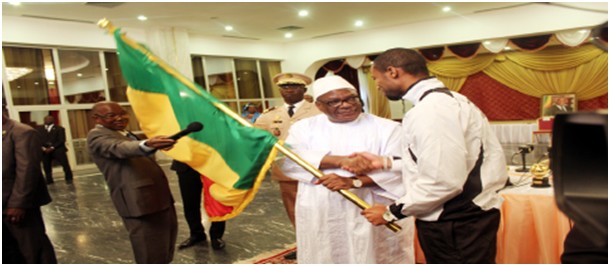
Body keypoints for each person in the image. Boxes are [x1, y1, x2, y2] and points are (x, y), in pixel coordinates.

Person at [361, 48, 507, 263]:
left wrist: (391, 212)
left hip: (455, 222)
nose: (377, 86)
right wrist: (386, 163)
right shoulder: (450, 100)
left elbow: (443, 180)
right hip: (465, 218)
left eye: (376, 78)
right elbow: (448, 161)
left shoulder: (431, 110)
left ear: (392, 72)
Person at [280, 75, 414, 264]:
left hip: (372, 202)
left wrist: (353, 182)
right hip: (322, 204)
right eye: (334, 101)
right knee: (326, 251)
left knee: (376, 254)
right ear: (319, 106)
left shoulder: (387, 128)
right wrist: (340, 161)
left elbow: (402, 168)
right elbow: (291, 161)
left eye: (351, 98)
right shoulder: (303, 128)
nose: (345, 105)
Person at [87, 101, 178, 263]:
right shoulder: (97, 135)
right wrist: (146, 144)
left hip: (158, 199)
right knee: (149, 253)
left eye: (122, 113)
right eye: (111, 115)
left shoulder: (125, 133)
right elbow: (119, 148)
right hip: (138, 203)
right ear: (97, 118)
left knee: (164, 248)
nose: (120, 118)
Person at [253, 72, 321, 260]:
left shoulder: (318, 110)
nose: (288, 90)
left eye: (294, 86)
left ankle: (323, 242)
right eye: (284, 87)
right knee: (294, 210)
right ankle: (304, 245)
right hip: (286, 171)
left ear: (304, 89)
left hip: (316, 169)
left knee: (320, 208)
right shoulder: (270, 115)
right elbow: (256, 138)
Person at [2, 103, 57, 263]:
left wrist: (18, 204)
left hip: (16, 206)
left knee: (32, 249)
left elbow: (27, 171)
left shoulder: (21, 132)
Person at [170, 160, 226, 250]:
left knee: (217, 203)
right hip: (186, 165)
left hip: (213, 164)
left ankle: (216, 236)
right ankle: (196, 234)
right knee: (189, 203)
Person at [36, 115, 74, 184]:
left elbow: (61, 140)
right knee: (46, 166)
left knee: (65, 165)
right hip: (45, 151)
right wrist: (43, 148)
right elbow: (37, 140)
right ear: (44, 120)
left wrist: (52, 147)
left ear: (53, 120)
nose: (48, 120)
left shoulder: (59, 129)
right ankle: (49, 180)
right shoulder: (39, 129)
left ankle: (69, 178)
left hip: (58, 150)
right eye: (46, 119)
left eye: (50, 119)